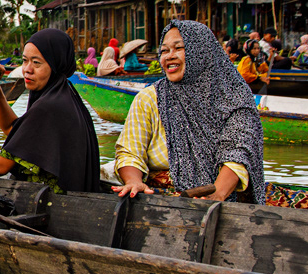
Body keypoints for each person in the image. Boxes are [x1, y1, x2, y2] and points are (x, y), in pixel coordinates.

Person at [113, 19, 265, 203]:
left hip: (224, 195)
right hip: (162, 196)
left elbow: (238, 152)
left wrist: (218, 194)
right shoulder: (149, 98)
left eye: (178, 48)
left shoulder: (234, 98)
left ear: (200, 52)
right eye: (164, 51)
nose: (169, 56)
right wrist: (134, 181)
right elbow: (130, 152)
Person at [0, 29, 101, 194]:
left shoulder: (50, 106)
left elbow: (2, 165)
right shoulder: (64, 93)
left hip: (56, 201)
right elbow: (11, 129)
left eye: (36, 63)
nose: (27, 69)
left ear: (56, 64)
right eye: (25, 61)